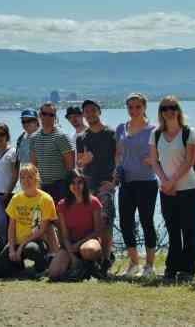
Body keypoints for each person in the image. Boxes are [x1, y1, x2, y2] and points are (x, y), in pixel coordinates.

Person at [149, 96, 195, 281]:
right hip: (166, 189)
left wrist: (172, 181)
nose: (169, 111)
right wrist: (164, 181)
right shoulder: (155, 134)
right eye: (164, 108)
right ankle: (172, 267)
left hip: (187, 188)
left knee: (188, 229)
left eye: (172, 107)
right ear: (161, 112)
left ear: (178, 110)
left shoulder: (188, 132)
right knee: (173, 229)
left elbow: (189, 161)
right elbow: (154, 161)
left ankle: (188, 269)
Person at [116, 93, 159, 277]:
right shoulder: (121, 128)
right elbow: (118, 152)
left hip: (147, 182)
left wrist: (154, 160)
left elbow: (162, 152)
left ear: (144, 108)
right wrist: (117, 169)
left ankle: (149, 266)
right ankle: (134, 263)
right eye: (130, 107)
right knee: (126, 223)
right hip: (126, 182)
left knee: (146, 222)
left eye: (137, 107)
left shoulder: (153, 129)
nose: (134, 111)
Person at [75, 99, 118, 275]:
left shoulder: (111, 134)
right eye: (86, 111)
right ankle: (91, 260)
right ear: (83, 115)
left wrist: (114, 182)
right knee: (89, 224)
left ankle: (106, 261)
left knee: (106, 223)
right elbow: (79, 164)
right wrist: (82, 162)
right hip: (88, 186)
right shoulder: (81, 138)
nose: (90, 114)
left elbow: (118, 159)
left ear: (99, 112)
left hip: (105, 185)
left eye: (93, 110)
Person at [0, 164, 57, 279]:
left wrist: (21, 246)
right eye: (22, 177)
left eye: (30, 177)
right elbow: (11, 227)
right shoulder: (16, 198)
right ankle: (20, 268)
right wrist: (12, 249)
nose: (26, 180)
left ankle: (42, 268)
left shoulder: (46, 199)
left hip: (36, 241)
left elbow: (42, 230)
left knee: (31, 249)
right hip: (17, 242)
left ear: (36, 179)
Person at [47, 170, 103, 281]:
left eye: (80, 182)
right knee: (53, 274)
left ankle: (92, 266)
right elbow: (65, 235)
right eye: (73, 183)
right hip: (70, 245)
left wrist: (79, 244)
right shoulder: (62, 205)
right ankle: (78, 267)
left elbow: (97, 231)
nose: (76, 186)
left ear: (84, 184)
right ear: (68, 185)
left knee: (88, 250)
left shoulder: (94, 202)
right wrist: (72, 256)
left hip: (89, 242)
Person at [30, 101, 75, 204]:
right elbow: (33, 165)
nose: (47, 117)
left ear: (55, 117)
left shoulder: (61, 136)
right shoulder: (33, 138)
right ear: (40, 115)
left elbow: (70, 166)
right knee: (40, 218)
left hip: (59, 186)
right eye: (45, 114)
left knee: (59, 219)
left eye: (51, 115)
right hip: (41, 186)